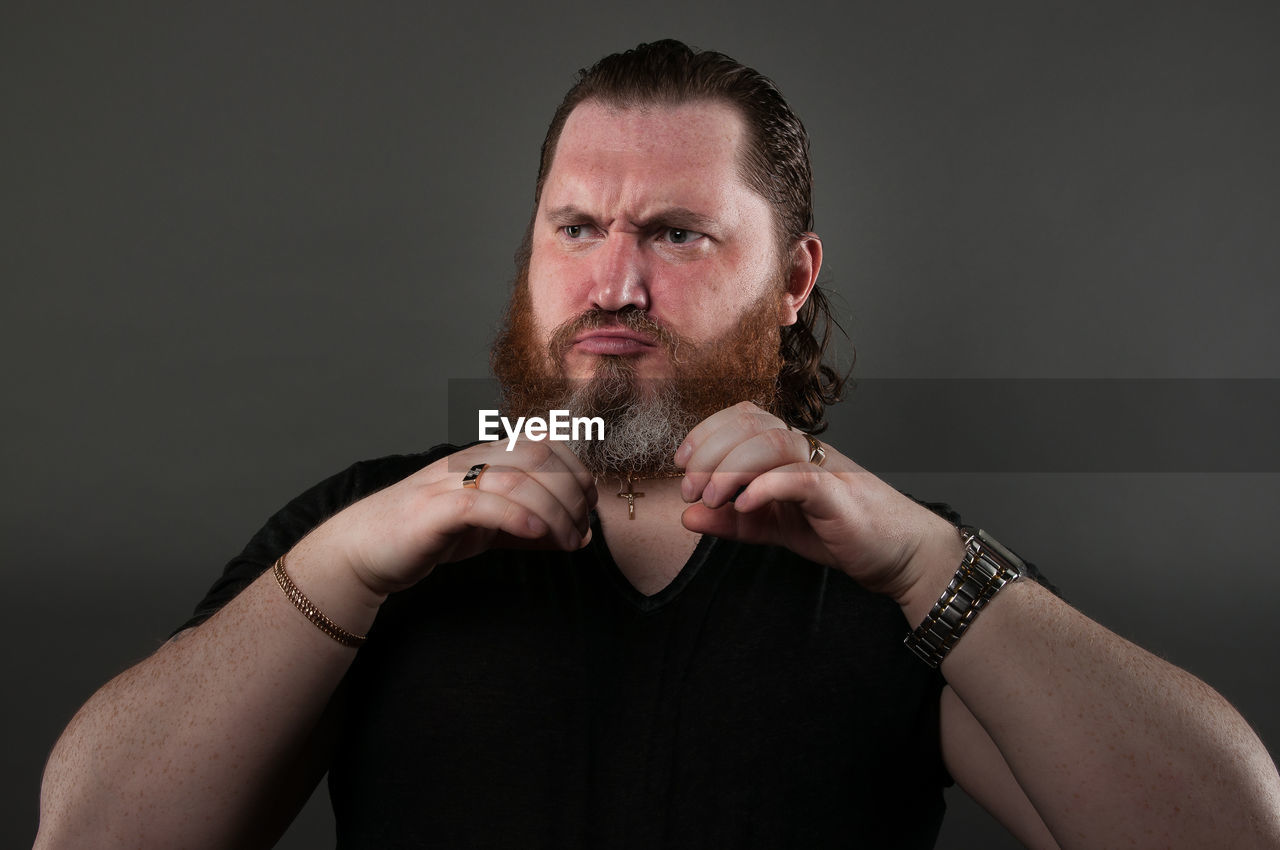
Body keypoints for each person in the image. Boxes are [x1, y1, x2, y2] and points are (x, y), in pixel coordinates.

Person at [35, 39, 1280, 850]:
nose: (612, 283)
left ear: (792, 281)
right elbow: (87, 834)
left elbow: (1229, 832)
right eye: (574, 227)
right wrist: (342, 567)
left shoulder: (892, 567)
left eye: (677, 234)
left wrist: (925, 569)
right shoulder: (370, 530)